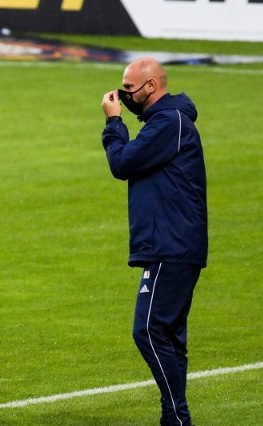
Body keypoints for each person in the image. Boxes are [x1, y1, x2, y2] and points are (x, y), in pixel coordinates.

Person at [100, 57, 208, 426]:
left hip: (171, 243)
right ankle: (174, 417)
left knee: (148, 330)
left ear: (151, 87)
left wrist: (114, 123)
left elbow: (122, 163)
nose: (123, 95)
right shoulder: (166, 121)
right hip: (174, 241)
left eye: (129, 89)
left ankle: (176, 415)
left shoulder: (168, 122)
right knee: (170, 335)